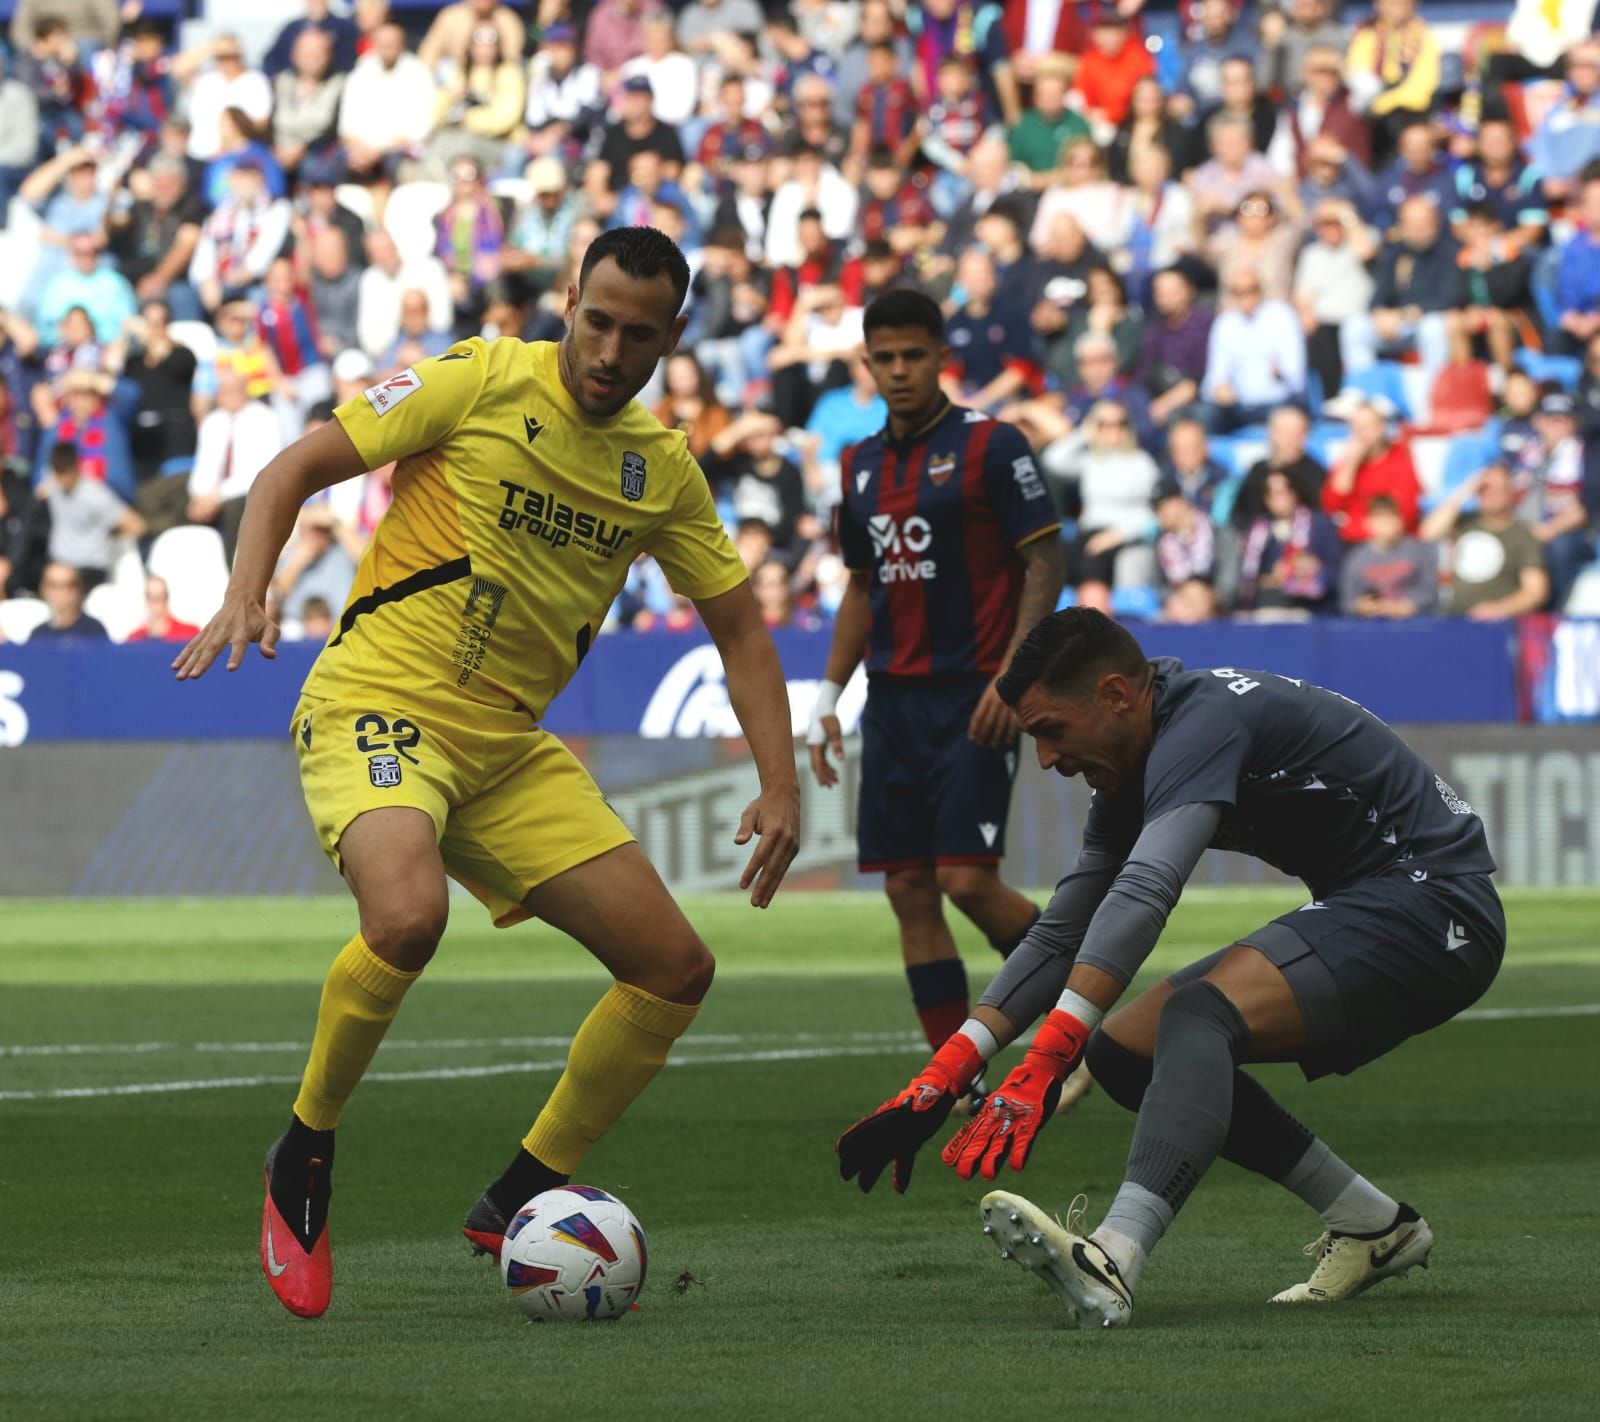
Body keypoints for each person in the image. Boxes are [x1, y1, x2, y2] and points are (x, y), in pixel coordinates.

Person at [172, 226, 801, 1321]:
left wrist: (781, 782)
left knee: (673, 968)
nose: (607, 350)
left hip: (506, 750)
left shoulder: (661, 469)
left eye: (637, 335)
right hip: (378, 700)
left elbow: (743, 630)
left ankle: (521, 1189)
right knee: (409, 917)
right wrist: (247, 589)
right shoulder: (477, 377)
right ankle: (304, 1150)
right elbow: (295, 467)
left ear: (670, 340)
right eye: (595, 319)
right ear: (569, 298)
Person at [836, 607, 1502, 1329]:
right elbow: (1066, 928)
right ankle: (1375, 1225)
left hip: (1435, 906)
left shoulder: (1202, 721)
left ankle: (1115, 1257)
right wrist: (948, 1070)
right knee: (1124, 1051)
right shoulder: (1133, 760)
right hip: (1382, 902)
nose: (1048, 761)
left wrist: (1047, 1053)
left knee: (1197, 1015)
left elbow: (1147, 890)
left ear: (1118, 695)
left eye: (1051, 731)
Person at [808, 287, 1063, 1104]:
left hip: (975, 695)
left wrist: (1013, 678)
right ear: (867, 363)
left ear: (940, 355)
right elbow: (859, 588)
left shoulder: (992, 446)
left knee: (965, 880)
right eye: (884, 358)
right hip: (892, 701)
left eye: (913, 355)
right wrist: (825, 696)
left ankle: (1081, 1027)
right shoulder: (858, 465)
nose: (899, 371)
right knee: (908, 888)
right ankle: (957, 1084)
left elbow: (1045, 561)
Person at [1420, 462, 1550, 620]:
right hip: (1455, 616)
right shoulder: (1464, 523)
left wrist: (1499, 609)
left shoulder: (1522, 534)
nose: (1491, 494)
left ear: (1510, 492)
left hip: (1496, 623)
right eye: (1485, 488)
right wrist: (1466, 490)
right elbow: (1428, 532)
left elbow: (1535, 591)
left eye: (1499, 489)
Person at [39, 440, 144, 590]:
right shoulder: (52, 482)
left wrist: (108, 537)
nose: (60, 480)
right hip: (60, 564)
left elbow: (137, 526)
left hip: (89, 568)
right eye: (57, 473)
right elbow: (40, 493)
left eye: (64, 474)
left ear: (76, 468)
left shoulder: (96, 495)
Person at [1322, 400, 1421, 544]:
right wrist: (1351, 464)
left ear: (1381, 428)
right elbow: (1331, 505)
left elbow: (1405, 513)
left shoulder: (1399, 457)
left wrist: (1356, 527)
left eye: (1366, 427)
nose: (1361, 434)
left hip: (1394, 541)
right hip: (1354, 543)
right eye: (1356, 428)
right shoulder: (1348, 461)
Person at [1338, 493, 1438, 618]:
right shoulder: (1356, 557)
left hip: (1413, 624)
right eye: (1380, 518)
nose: (1387, 524)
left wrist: (1410, 605)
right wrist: (1361, 605)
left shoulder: (1420, 551)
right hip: (1370, 627)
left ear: (1400, 519)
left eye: (1391, 517)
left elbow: (1430, 591)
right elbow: (1347, 600)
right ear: (1368, 522)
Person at [28, 561, 109, 641]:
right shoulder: (39, 635)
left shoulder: (94, 631)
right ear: (43, 589)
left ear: (80, 589)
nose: (61, 592)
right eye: (53, 585)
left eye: (69, 585)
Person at [125, 575, 202, 643]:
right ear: (145, 600)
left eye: (160, 596)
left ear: (167, 599)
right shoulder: (134, 640)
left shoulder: (189, 634)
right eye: (150, 596)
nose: (155, 602)